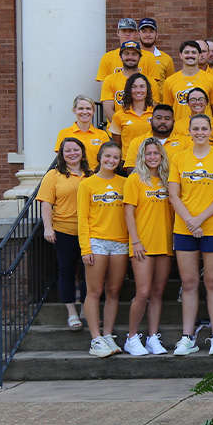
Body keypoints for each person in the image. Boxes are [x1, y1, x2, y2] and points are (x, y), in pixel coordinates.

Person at [167, 114, 213, 356]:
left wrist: (199, 220)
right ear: (189, 131)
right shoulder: (179, 158)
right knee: (188, 283)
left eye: (204, 128)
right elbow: (174, 194)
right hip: (184, 229)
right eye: (195, 128)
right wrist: (190, 222)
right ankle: (188, 337)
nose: (200, 132)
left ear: (210, 131)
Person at [121, 138, 174, 356]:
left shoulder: (167, 180)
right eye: (148, 153)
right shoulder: (134, 180)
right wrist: (135, 241)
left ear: (162, 156)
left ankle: (152, 337)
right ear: (142, 156)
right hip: (141, 243)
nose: (152, 157)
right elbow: (128, 212)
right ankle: (132, 338)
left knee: (158, 292)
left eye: (156, 153)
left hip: (164, 242)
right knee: (142, 292)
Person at [78, 142, 130, 357]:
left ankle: (108, 335)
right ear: (99, 158)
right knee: (95, 291)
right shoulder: (87, 184)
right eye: (108, 156)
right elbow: (82, 219)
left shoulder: (126, 183)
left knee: (114, 291)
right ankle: (96, 339)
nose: (111, 160)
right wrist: (85, 248)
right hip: (96, 241)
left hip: (121, 242)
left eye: (116, 157)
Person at [39, 138, 90, 331]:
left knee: (89, 273)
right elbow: (46, 203)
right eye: (67, 150)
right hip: (64, 230)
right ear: (61, 154)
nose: (72, 153)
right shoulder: (54, 175)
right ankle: (72, 313)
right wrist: (48, 228)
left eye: (75, 149)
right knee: (67, 271)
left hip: (89, 231)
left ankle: (86, 309)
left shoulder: (90, 174)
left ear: (82, 152)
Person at [162, 40, 213, 121]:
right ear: (180, 55)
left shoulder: (211, 80)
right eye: (187, 52)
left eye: (194, 52)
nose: (190, 55)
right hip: (179, 130)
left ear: (200, 55)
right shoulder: (169, 81)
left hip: (204, 129)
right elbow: (167, 109)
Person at [96, 18, 162, 87]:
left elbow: (153, 84)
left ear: (137, 34)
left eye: (131, 31)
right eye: (124, 31)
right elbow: (104, 85)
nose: (127, 34)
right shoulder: (107, 57)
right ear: (118, 33)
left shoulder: (148, 56)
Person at [123, 105, 188, 170]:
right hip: (146, 180)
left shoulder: (186, 142)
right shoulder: (137, 142)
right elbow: (131, 169)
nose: (163, 121)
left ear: (173, 122)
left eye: (167, 118)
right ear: (151, 120)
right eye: (159, 118)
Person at [56, 95, 112, 169]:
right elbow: (61, 159)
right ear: (74, 110)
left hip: (94, 176)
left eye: (88, 108)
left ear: (93, 111)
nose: (85, 112)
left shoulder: (102, 135)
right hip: (73, 176)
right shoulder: (64, 134)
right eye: (81, 108)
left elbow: (106, 158)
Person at [99, 40, 148, 117]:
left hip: (144, 127)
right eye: (126, 54)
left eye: (134, 54)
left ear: (140, 58)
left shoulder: (149, 81)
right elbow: (108, 110)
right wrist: (122, 127)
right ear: (120, 57)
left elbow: (153, 110)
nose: (130, 57)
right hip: (117, 127)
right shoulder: (110, 80)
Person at [108, 72, 154, 148]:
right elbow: (117, 146)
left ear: (147, 89)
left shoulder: (155, 113)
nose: (138, 90)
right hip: (128, 159)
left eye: (142, 86)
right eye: (134, 87)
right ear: (129, 90)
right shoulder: (119, 115)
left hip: (151, 158)